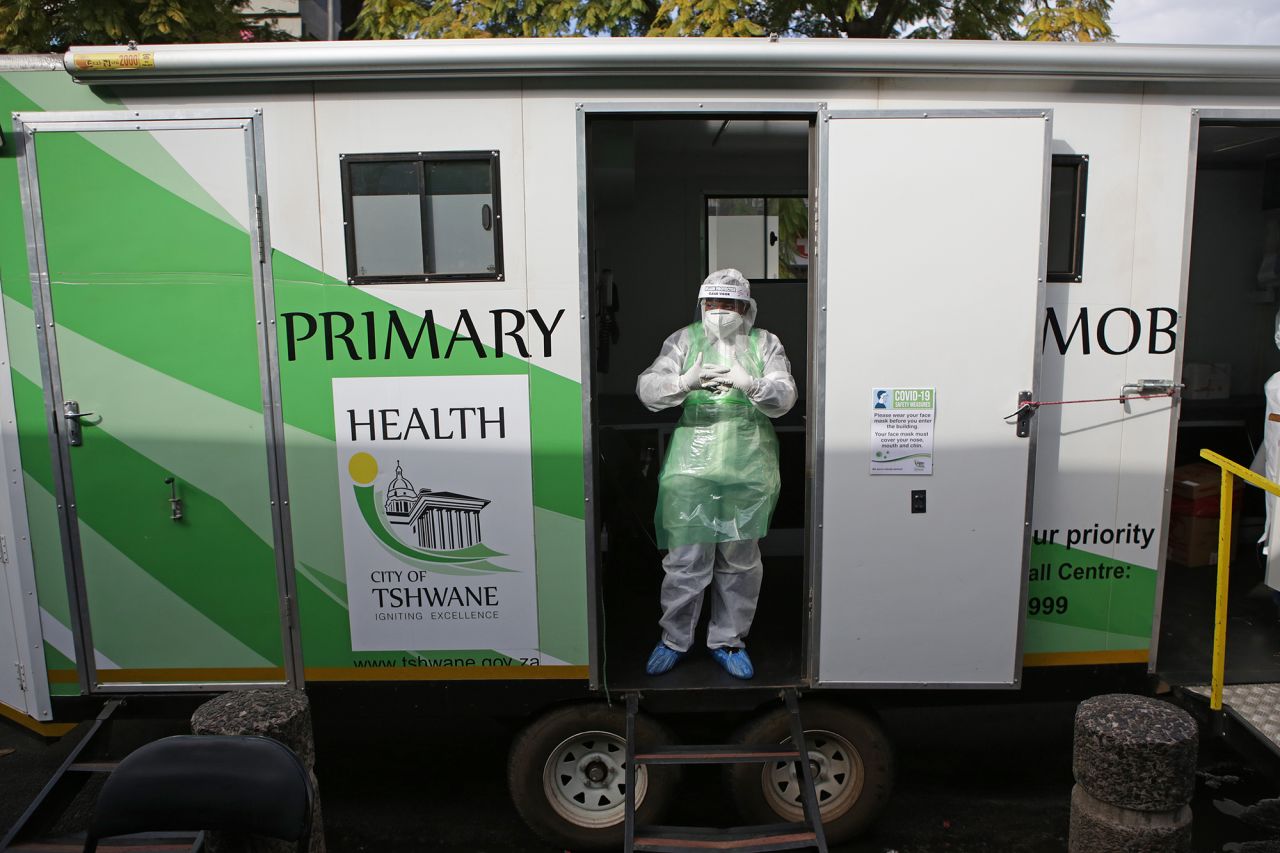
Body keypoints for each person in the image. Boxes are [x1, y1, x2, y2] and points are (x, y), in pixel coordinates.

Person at [635, 268, 797, 679]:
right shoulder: (685, 340)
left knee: (740, 561)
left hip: (748, 467)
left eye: (729, 305)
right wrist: (684, 382)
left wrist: (754, 384)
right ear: (702, 305)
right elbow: (649, 388)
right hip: (693, 468)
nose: (720, 312)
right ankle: (674, 639)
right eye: (713, 304)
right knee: (686, 558)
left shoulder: (765, 343)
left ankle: (728, 640)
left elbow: (786, 395)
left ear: (745, 308)